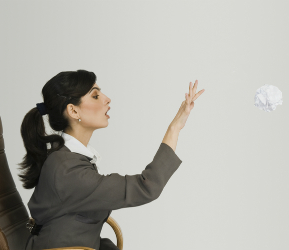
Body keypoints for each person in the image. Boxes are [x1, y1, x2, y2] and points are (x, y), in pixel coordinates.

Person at [19, 70, 204, 250]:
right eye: (95, 96)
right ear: (73, 111)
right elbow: (147, 187)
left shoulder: (68, 159)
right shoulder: (67, 169)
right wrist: (175, 127)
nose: (107, 98)